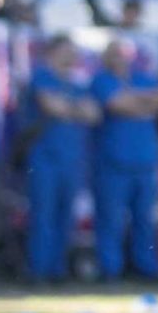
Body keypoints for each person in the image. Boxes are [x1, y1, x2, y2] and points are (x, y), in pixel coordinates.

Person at [91, 39, 158, 281]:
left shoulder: (142, 77)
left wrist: (134, 98)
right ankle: (110, 270)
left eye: (123, 54)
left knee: (146, 220)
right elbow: (118, 104)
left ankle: (146, 268)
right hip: (114, 162)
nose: (119, 58)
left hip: (146, 163)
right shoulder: (101, 80)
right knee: (111, 220)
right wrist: (148, 103)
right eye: (113, 54)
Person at [23, 36, 101, 282]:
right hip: (45, 159)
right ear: (53, 51)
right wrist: (76, 109)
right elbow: (51, 107)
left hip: (72, 160)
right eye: (68, 51)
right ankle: (38, 270)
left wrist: (69, 108)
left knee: (65, 217)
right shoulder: (42, 76)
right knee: (43, 215)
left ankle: (58, 270)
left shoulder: (77, 82)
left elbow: (94, 114)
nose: (72, 56)